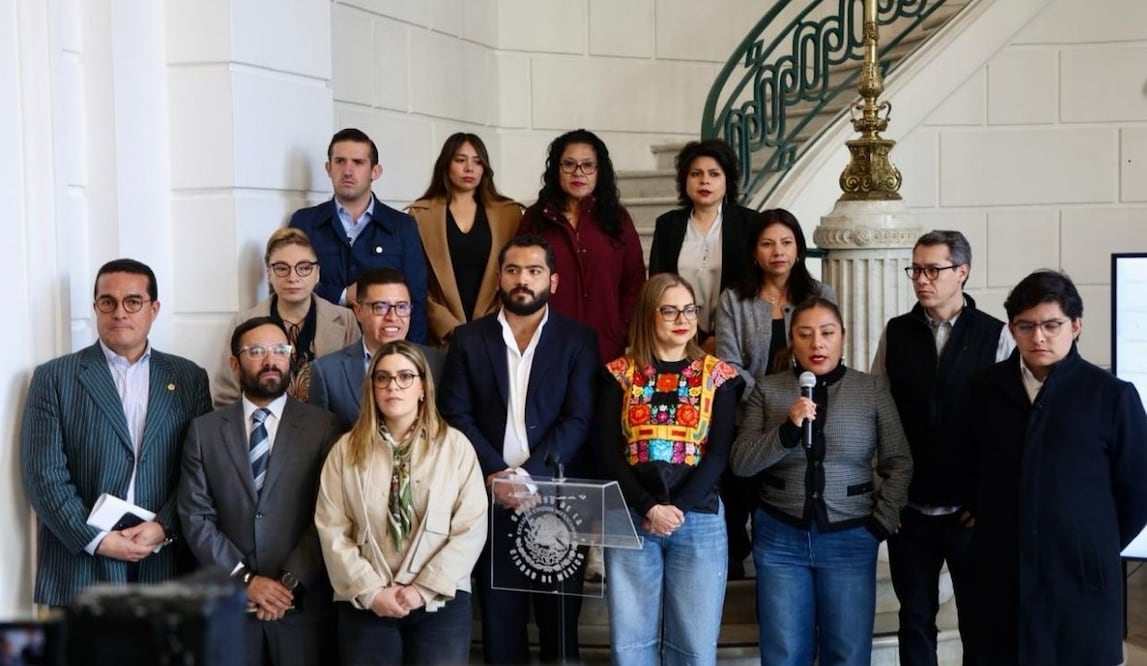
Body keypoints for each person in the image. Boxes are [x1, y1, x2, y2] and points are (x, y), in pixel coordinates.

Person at [961, 270, 1147, 666]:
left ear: (1076, 326)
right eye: (1025, 326)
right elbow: (967, 466)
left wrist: (1091, 540)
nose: (1038, 337)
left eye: (1051, 325)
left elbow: (1138, 489)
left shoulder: (1111, 395)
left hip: (1080, 576)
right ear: (1012, 328)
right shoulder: (983, 389)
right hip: (1001, 570)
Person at [439, 235, 599, 665]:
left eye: (534, 271)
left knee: (560, 632)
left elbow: (579, 419)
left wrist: (528, 476)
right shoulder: (469, 339)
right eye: (513, 271)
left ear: (553, 280)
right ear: (500, 278)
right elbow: (455, 413)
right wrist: (497, 474)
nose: (522, 280)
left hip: (559, 502)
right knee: (500, 629)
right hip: (488, 499)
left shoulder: (578, 340)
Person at [731, 297, 912, 666]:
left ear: (842, 337)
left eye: (827, 333)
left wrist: (880, 522)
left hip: (851, 535)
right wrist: (787, 430)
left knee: (846, 653)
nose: (817, 344)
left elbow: (899, 461)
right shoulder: (769, 390)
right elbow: (741, 462)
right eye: (805, 334)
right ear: (792, 342)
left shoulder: (871, 390)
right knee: (784, 654)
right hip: (781, 536)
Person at [21, 258, 213, 606]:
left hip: (164, 562)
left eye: (133, 302)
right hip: (81, 566)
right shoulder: (54, 378)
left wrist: (164, 528)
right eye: (107, 302)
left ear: (154, 309)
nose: (119, 313)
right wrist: (96, 538)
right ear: (95, 308)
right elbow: (43, 475)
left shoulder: (189, 378)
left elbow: (199, 471)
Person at [870, 230, 1014, 666]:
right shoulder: (897, 332)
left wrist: (988, 498)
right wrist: (886, 493)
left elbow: (1009, 428)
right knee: (914, 619)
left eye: (934, 269)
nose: (922, 279)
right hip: (910, 509)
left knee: (978, 620)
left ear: (962, 273)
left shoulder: (996, 335)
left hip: (970, 510)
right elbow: (877, 411)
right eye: (916, 269)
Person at [179, 317, 342, 666]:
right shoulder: (204, 431)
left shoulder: (324, 426)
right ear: (235, 364)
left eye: (279, 350)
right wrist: (246, 580)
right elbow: (196, 517)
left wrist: (287, 583)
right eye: (256, 351)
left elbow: (330, 514)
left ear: (291, 358)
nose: (270, 360)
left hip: (300, 608)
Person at [598, 273, 742, 665]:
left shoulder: (718, 376)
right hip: (631, 516)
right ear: (648, 315)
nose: (683, 318)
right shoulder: (619, 373)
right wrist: (649, 506)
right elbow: (608, 452)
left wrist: (674, 511)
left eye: (690, 309)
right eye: (670, 310)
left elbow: (718, 454)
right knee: (631, 648)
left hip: (698, 518)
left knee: (693, 648)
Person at [315, 340, 487, 666]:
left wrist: (422, 589)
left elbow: (471, 527)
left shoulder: (455, 447)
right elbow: (332, 528)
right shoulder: (345, 450)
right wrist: (371, 592)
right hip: (366, 601)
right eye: (382, 378)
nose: (393, 385)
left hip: (440, 600)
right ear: (372, 388)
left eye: (405, 376)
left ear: (423, 386)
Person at [715, 207, 836, 578]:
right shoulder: (734, 299)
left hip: (804, 412)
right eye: (767, 244)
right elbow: (728, 363)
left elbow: (827, 354)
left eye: (786, 242)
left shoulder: (819, 293)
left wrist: (790, 408)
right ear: (754, 251)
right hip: (745, 413)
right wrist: (765, 400)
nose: (778, 251)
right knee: (738, 492)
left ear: (799, 249)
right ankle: (734, 563)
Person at [288, 128, 429, 343]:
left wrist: (411, 358)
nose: (348, 170)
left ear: (375, 171)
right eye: (340, 161)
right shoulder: (305, 223)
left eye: (358, 162)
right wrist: (343, 295)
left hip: (383, 349)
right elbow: (290, 286)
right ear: (328, 168)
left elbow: (416, 300)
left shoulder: (402, 226)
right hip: (319, 347)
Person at [517, 128, 645, 363]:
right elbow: (521, 279)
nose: (578, 173)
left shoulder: (617, 219)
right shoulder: (536, 219)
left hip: (606, 347)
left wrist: (620, 329)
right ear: (556, 169)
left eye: (588, 165)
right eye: (569, 164)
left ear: (599, 171)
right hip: (547, 347)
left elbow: (634, 282)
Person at [212, 227, 361, 406]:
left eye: (304, 268)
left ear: (317, 273)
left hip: (329, 428)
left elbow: (356, 389)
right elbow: (227, 396)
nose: (292, 277)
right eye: (282, 268)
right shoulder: (244, 322)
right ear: (269, 273)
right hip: (263, 429)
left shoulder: (345, 320)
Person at [408, 132, 523, 346]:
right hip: (441, 336)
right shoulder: (421, 214)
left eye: (478, 162)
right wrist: (448, 325)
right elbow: (415, 282)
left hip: (496, 333)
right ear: (446, 164)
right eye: (460, 160)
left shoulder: (509, 213)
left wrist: (490, 323)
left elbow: (516, 274)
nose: (469, 168)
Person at [648, 139, 753, 354]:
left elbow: (752, 287)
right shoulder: (668, 225)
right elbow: (658, 286)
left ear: (727, 181)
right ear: (685, 180)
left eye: (714, 174)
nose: (704, 181)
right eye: (696, 174)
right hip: (679, 335)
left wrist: (719, 338)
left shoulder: (748, 224)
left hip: (736, 338)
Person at [309, 268, 445, 433]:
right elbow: (318, 442)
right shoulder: (327, 372)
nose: (392, 317)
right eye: (380, 307)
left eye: (402, 307)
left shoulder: (436, 363)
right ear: (358, 312)